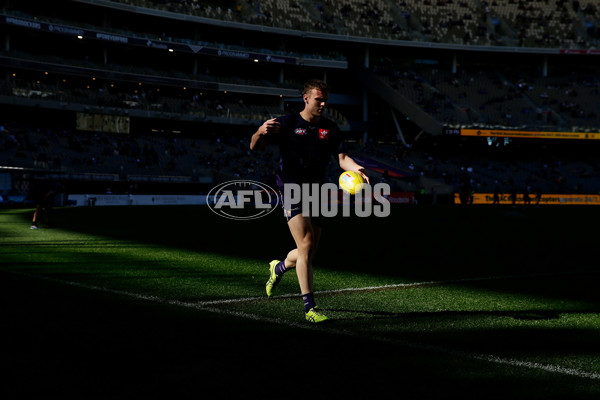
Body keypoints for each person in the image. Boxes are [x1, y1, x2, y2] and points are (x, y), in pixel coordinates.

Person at [250, 79, 369, 323]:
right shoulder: (287, 123)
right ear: (306, 98)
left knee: (309, 252)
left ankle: (279, 267)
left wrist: (357, 168)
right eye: (319, 99)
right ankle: (310, 308)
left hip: (317, 190)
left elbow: (342, 157)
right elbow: (255, 146)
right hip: (291, 187)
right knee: (305, 245)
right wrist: (260, 131)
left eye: (326, 99)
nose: (323, 104)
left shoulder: (330, 127)